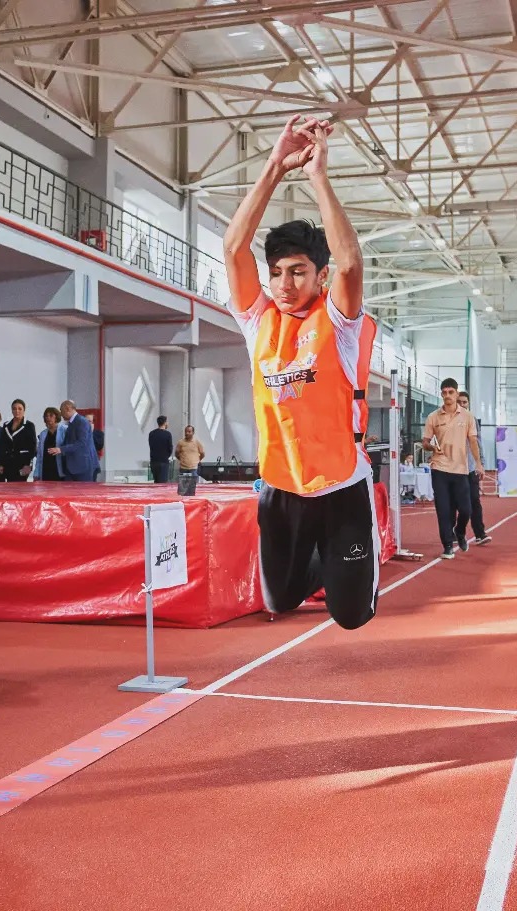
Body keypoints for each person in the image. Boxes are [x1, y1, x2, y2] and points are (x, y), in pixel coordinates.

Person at [221, 115, 379, 629]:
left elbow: (351, 262)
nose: (284, 284)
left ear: (319, 274)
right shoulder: (258, 321)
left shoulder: (337, 320)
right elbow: (232, 249)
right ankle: (321, 565)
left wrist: (317, 178)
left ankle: (347, 570)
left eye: (298, 271)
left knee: (351, 615)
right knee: (280, 601)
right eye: (277, 273)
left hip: (340, 486)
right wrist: (274, 164)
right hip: (282, 487)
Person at [422, 379, 482, 559]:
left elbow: (473, 441)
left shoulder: (467, 417)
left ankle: (460, 531)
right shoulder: (433, 417)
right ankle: (447, 545)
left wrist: (478, 463)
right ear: (441, 394)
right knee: (443, 509)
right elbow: (425, 442)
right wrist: (431, 447)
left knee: (466, 510)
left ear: (456, 394)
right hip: (439, 468)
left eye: (451, 392)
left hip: (461, 470)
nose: (447, 396)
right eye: (444, 392)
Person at [455, 391, 491, 546]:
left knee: (475, 500)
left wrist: (480, 463)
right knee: (457, 503)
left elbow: (478, 441)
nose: (463, 405)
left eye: (465, 402)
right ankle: (455, 530)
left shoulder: (473, 420)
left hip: (471, 468)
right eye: (460, 402)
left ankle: (480, 533)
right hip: (454, 468)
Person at [55, 400, 99, 482]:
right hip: (71, 467)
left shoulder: (82, 421)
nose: (60, 414)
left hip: (82, 467)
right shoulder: (72, 423)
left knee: (83, 493)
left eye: (61, 410)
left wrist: (61, 449)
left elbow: (82, 442)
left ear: (68, 408)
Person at [0, 399, 36, 482]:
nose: (17, 411)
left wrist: (29, 465)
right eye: (14, 408)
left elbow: (33, 447)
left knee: (20, 490)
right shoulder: (6, 425)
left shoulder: (29, 425)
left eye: (20, 409)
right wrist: (0, 464)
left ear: (24, 410)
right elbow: (1, 446)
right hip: (8, 464)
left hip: (22, 464)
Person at [35, 407, 64, 481]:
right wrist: (36, 473)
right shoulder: (43, 434)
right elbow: (39, 455)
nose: (48, 418)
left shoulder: (64, 430)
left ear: (56, 417)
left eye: (51, 415)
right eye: (46, 416)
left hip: (59, 469)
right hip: (45, 469)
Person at [148, 416, 173, 483]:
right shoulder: (167, 434)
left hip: (153, 461)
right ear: (165, 423)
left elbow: (151, 446)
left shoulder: (151, 433)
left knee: (156, 482)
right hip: (163, 461)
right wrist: (166, 456)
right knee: (162, 484)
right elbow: (170, 448)